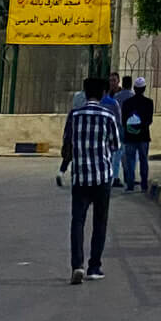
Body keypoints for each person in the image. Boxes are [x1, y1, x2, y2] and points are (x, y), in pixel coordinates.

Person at [61, 74, 122, 284]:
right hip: (102, 177)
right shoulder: (108, 116)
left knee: (77, 221)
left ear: (85, 93)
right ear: (104, 93)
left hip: (80, 177)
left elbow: (67, 145)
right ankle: (94, 266)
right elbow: (115, 146)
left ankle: (77, 265)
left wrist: (64, 168)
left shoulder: (74, 116)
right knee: (100, 222)